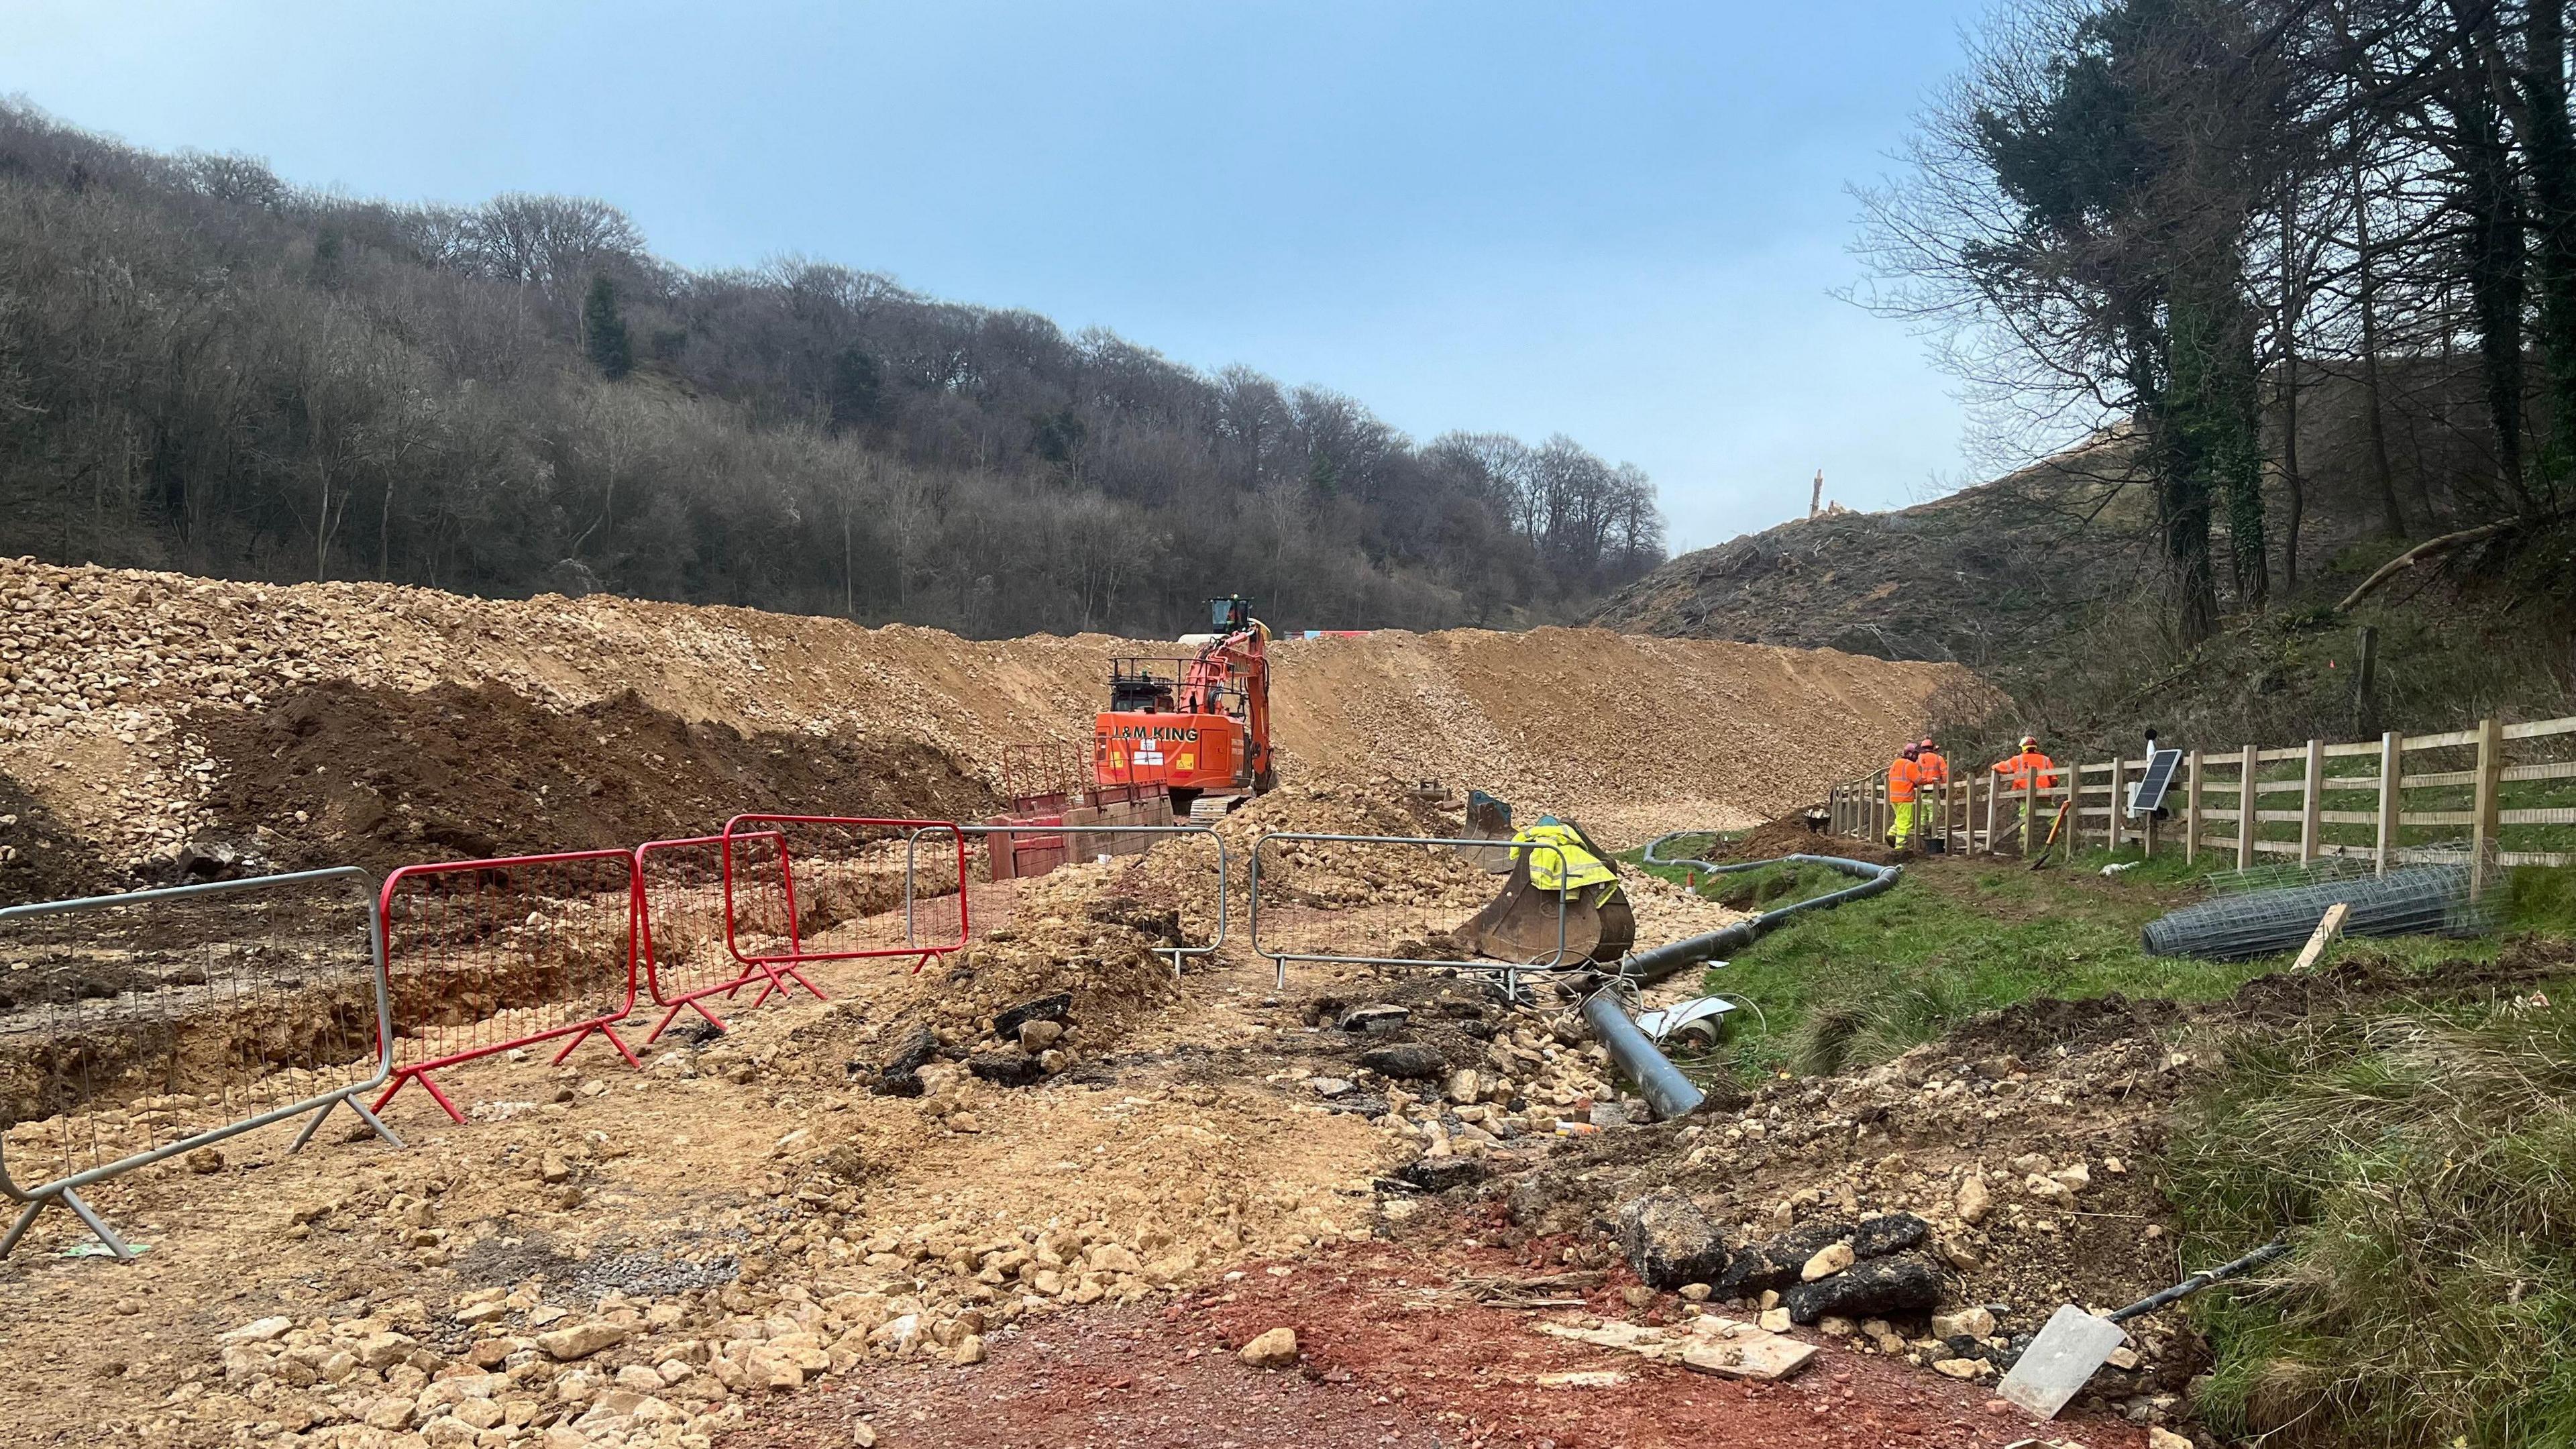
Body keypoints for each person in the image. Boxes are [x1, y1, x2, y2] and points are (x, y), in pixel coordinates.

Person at [1989, 735, 2059, 847]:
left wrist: (1993, 767)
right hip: (2043, 794)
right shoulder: (2046, 759)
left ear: (2023, 747)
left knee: (2025, 819)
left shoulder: (2018, 759)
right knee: (2052, 817)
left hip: (2024, 794)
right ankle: (2061, 837)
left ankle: (2024, 846)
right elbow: (2054, 780)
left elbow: (2002, 767)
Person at [1886, 743, 1922, 849]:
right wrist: (1931, 781)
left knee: (1900, 819)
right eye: (1916, 754)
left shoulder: (1895, 763)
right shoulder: (1909, 765)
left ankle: (1891, 834)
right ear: (1911, 754)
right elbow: (1919, 780)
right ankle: (1900, 846)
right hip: (1905, 798)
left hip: (1894, 798)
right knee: (1906, 822)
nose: (1917, 757)